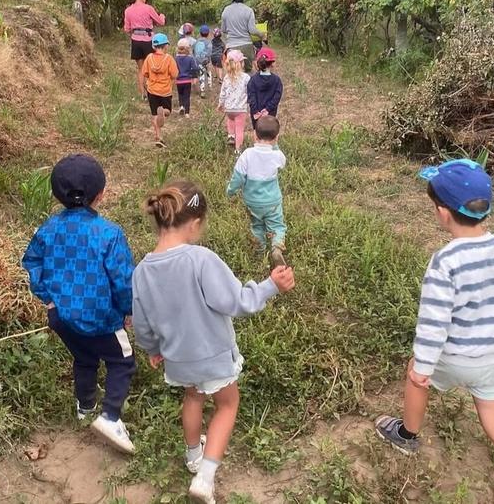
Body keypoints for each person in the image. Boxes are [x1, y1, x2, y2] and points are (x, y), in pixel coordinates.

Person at [374, 159, 494, 504]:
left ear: (443, 213)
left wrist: (422, 367)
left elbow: (433, 323)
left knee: (415, 376)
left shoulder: (445, 261)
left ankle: (407, 434)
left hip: (453, 356)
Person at [132, 181, 295, 504]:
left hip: (178, 359)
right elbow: (237, 302)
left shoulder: (141, 271)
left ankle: (193, 455)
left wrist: (152, 349)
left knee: (193, 397)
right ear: (194, 224)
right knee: (227, 404)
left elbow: (141, 320)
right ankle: (204, 478)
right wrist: (271, 286)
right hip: (213, 355)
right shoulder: (201, 259)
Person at [22, 154, 137, 455]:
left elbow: (31, 261)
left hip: (61, 316)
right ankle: (110, 417)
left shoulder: (47, 229)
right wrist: (128, 310)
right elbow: (123, 280)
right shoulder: (109, 234)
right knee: (121, 361)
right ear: (100, 194)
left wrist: (47, 297)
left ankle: (85, 408)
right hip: (101, 317)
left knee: (84, 358)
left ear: (56, 194)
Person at [227, 116, 287, 268]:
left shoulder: (247, 154)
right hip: (272, 201)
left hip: (252, 202)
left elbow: (238, 177)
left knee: (257, 225)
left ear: (254, 134)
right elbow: (283, 163)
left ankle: (259, 252)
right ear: (276, 137)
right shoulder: (276, 155)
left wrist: (230, 190)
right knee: (277, 225)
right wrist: (276, 146)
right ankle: (276, 246)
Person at [123, 0, 166, 100]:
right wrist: (162, 16)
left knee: (141, 69)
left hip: (135, 41)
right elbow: (160, 22)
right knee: (151, 67)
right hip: (148, 40)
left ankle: (143, 94)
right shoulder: (148, 8)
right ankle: (152, 91)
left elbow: (127, 29)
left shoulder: (128, 10)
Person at [142, 33, 178, 148]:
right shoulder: (169, 59)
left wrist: (145, 85)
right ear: (165, 46)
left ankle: (158, 137)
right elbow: (174, 74)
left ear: (153, 46)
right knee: (167, 111)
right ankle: (164, 112)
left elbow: (145, 73)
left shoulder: (149, 58)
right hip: (165, 91)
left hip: (152, 90)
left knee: (154, 115)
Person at [220, 0, 264, 72]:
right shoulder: (248, 10)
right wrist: (262, 34)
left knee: (233, 73)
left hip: (232, 46)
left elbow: (224, 30)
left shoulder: (226, 10)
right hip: (246, 45)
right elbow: (252, 30)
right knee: (247, 72)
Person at [217, 49, 250, 152]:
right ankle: (238, 149)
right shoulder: (246, 77)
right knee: (239, 129)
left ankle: (231, 135)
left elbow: (223, 92)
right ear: (240, 64)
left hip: (229, 108)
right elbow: (249, 91)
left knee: (230, 120)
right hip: (240, 109)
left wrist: (220, 104)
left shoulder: (226, 78)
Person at [247, 47, 283, 129]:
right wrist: (267, 109)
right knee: (270, 132)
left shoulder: (253, 80)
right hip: (271, 113)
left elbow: (251, 97)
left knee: (257, 132)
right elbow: (277, 97)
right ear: (272, 63)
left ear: (258, 62)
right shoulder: (277, 80)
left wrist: (255, 111)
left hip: (256, 114)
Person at [175, 38, 199, 118]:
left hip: (178, 81)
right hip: (187, 80)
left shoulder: (176, 58)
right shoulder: (190, 58)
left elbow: (174, 69)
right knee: (187, 96)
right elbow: (195, 68)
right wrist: (194, 77)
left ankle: (181, 106)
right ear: (188, 48)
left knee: (180, 94)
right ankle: (187, 113)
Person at [193, 25, 214, 98]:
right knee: (209, 73)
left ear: (200, 33)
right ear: (208, 33)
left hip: (198, 61)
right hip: (206, 61)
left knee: (201, 75)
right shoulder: (209, 42)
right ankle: (210, 87)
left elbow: (194, 51)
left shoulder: (196, 42)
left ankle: (202, 90)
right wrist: (208, 60)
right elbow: (210, 53)